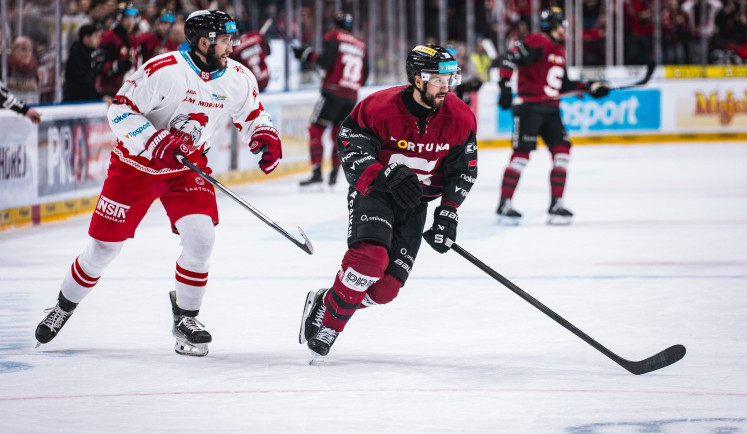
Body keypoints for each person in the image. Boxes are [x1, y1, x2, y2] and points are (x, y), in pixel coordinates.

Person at [34, 9, 283, 357]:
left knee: (201, 239)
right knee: (103, 250)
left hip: (185, 169)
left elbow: (253, 113)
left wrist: (265, 134)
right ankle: (63, 305)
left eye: (231, 38)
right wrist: (153, 140)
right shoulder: (162, 70)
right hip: (135, 166)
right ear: (202, 42)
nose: (231, 46)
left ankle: (186, 319)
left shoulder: (238, 77)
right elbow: (120, 110)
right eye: (224, 40)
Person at [298, 44, 478, 358]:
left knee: (385, 291)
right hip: (375, 194)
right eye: (438, 79)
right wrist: (383, 175)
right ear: (418, 80)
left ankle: (329, 301)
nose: (446, 87)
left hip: (416, 205)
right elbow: (351, 146)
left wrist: (448, 213)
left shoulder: (460, 117)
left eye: (450, 79)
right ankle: (330, 327)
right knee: (369, 261)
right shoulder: (379, 107)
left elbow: (463, 170)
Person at [495, 6, 609, 225]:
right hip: (529, 108)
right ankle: (504, 204)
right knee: (521, 156)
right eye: (562, 26)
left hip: (551, 109)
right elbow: (509, 57)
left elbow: (564, 84)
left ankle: (556, 204)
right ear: (555, 26)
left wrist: (590, 87)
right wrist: (505, 86)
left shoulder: (558, 50)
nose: (565, 30)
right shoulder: (539, 41)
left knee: (562, 152)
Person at [293, 11, 369, 187]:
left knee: (316, 129)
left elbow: (325, 61)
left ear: (335, 24)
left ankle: (317, 172)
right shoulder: (361, 46)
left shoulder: (333, 36)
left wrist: (308, 55)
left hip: (333, 93)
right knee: (338, 134)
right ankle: (334, 173)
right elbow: (364, 77)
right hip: (351, 97)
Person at [96, 3, 139, 98]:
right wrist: (117, 66)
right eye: (127, 18)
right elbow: (99, 65)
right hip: (107, 91)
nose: (131, 22)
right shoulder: (108, 37)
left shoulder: (133, 39)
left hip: (126, 91)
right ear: (119, 19)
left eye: (133, 18)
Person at [63, 24, 110, 103]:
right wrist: (99, 96)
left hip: (84, 97)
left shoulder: (91, 54)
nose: (99, 39)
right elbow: (83, 82)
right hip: (75, 100)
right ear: (86, 38)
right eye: (95, 36)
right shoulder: (78, 54)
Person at [230, 28, 271, 92]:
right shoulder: (258, 35)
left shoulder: (233, 48)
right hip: (265, 79)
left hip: (250, 85)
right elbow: (269, 52)